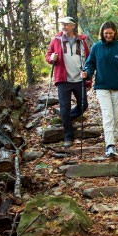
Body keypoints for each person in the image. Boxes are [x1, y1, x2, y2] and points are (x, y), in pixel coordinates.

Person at [83, 21, 118, 158]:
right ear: (102, 33)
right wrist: (86, 73)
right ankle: (109, 145)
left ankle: (113, 143)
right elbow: (90, 64)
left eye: (111, 33)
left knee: (116, 118)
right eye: (106, 33)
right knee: (108, 115)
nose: (108, 35)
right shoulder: (96, 47)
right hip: (102, 87)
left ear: (115, 33)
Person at [46, 16, 90, 148]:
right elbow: (48, 56)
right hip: (63, 79)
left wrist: (87, 74)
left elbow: (88, 59)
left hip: (79, 78)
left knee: (83, 105)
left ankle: (68, 118)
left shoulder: (81, 41)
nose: (63, 27)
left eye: (66, 25)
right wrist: (51, 58)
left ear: (73, 26)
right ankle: (68, 135)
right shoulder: (56, 40)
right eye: (62, 25)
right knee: (64, 107)